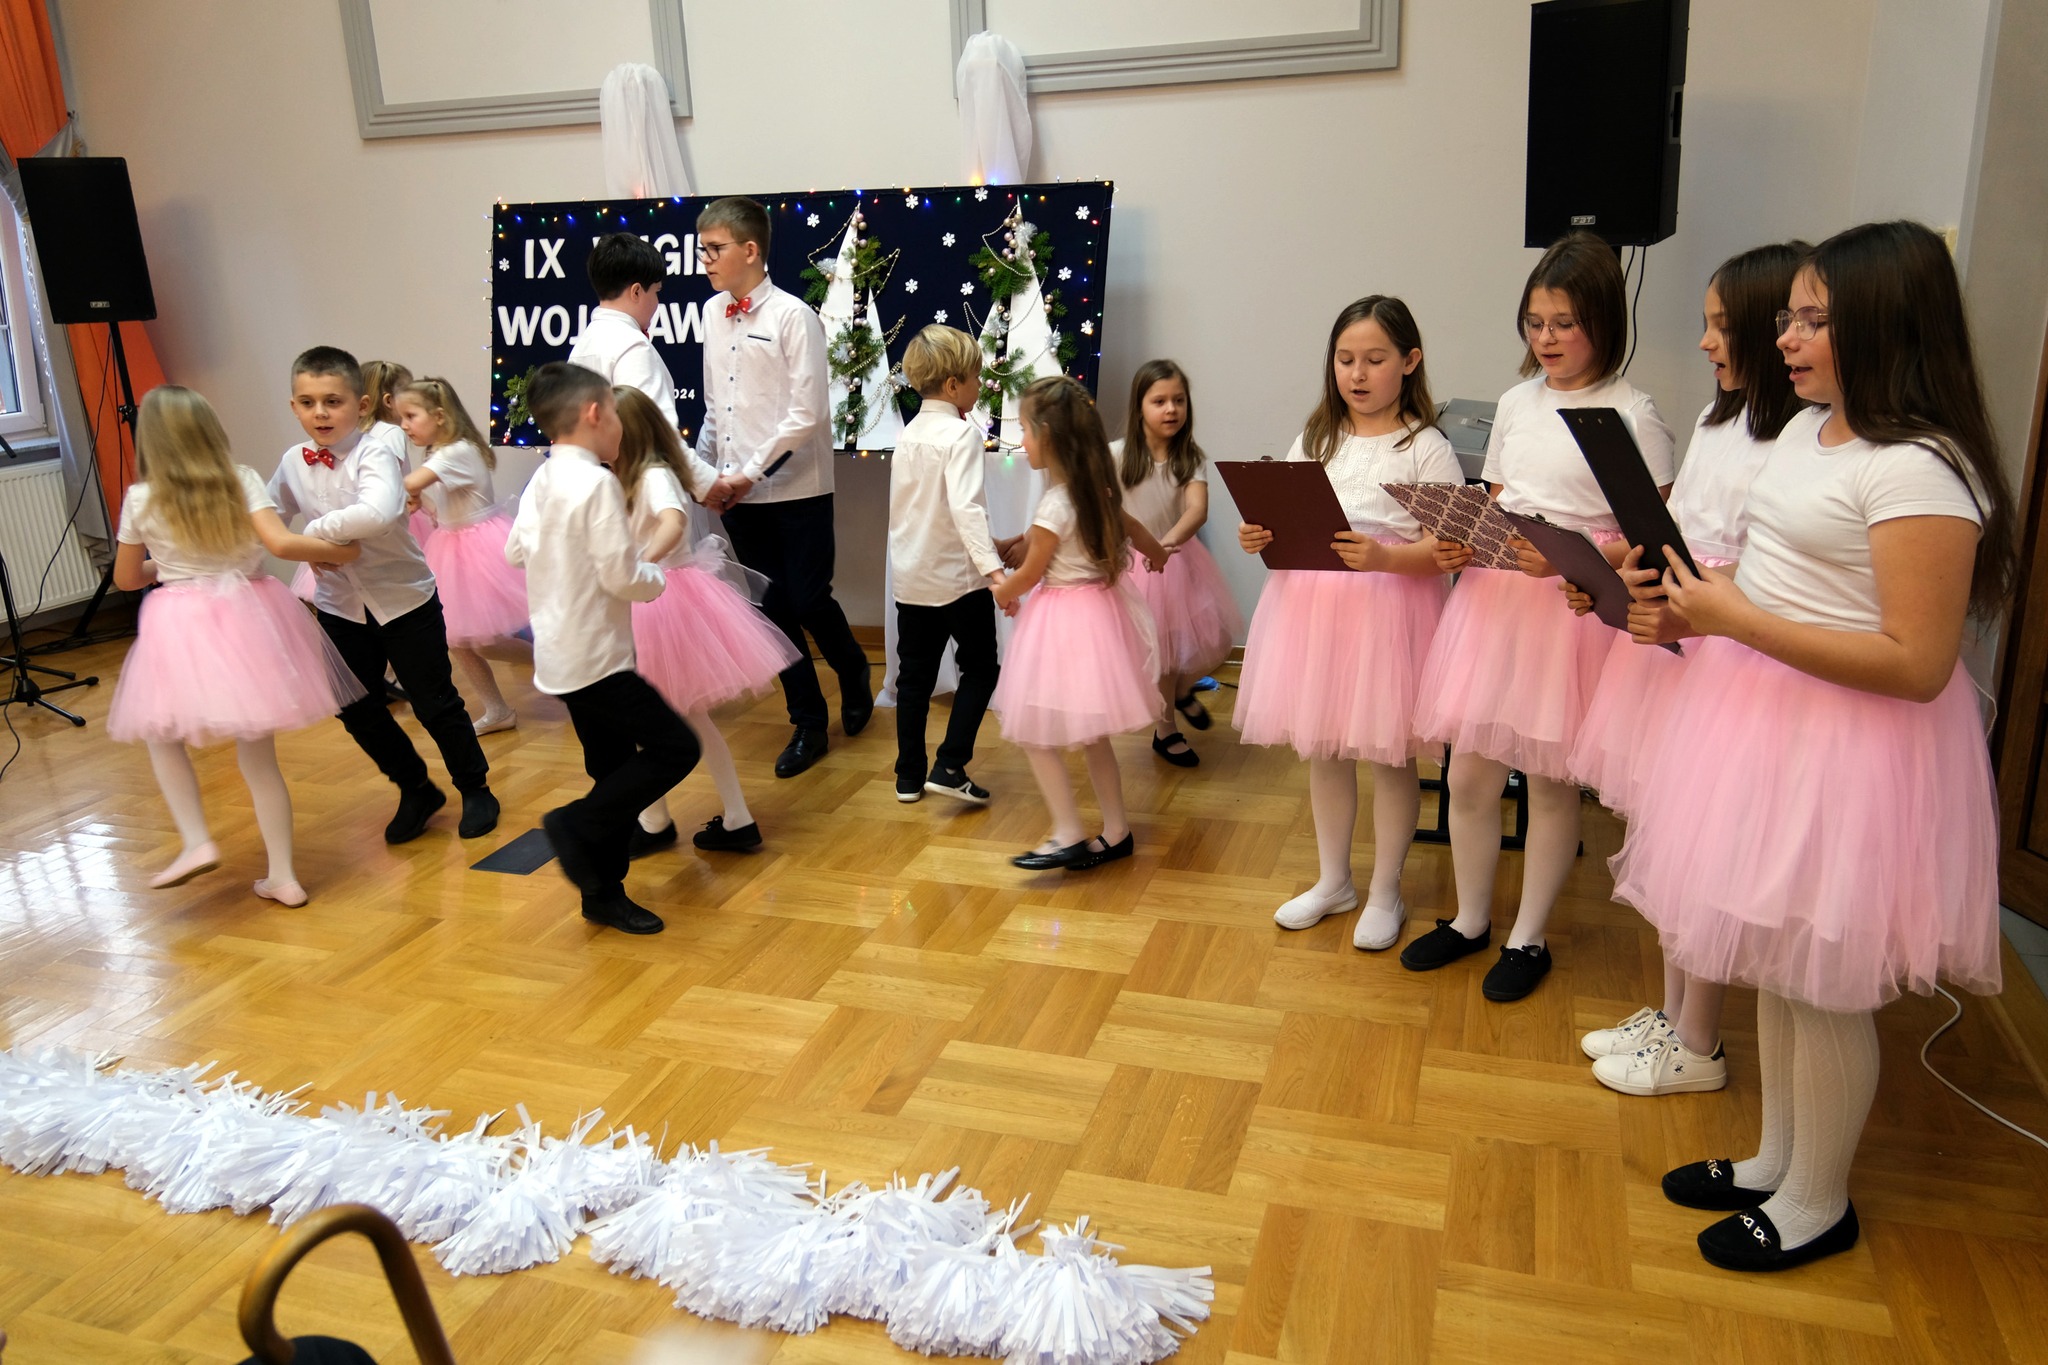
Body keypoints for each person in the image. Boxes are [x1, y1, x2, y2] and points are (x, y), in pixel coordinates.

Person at [1613, 221, 2011, 1271]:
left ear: (1886, 323)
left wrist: (1732, 619)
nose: (1785, 336)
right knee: (1780, 965)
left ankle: (1817, 1201)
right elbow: (1768, 580)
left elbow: (1916, 662)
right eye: (1788, 316)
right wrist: (1694, 606)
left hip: (1852, 748)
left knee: (1824, 981)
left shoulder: (1921, 470)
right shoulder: (1808, 431)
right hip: (1766, 719)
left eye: (1813, 319)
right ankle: (1775, 1162)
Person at [1406, 232, 1675, 1002]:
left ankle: (1528, 936)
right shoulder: (1518, 401)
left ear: (1604, 322)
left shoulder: (1633, 412)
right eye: (1535, 322)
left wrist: (1568, 555)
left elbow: (1652, 536)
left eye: (1564, 323)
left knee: (1552, 783)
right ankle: (1470, 918)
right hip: (1494, 604)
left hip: (1569, 613)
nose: (1547, 338)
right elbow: (1499, 497)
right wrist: (1470, 532)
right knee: (1469, 772)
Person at [1568, 242, 1807, 1097]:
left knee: (1709, 843)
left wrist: (1687, 582)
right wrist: (1618, 562)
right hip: (1677, 641)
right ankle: (1672, 1013)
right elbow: (1680, 528)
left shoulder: (1797, 438)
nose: (1706, 342)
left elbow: (1767, 564)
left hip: (1732, 651)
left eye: (1720, 326)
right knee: (1667, 833)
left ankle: (1699, 1039)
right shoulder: (1714, 419)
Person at [1236, 297, 1462, 950]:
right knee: (1326, 747)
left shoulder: (1425, 446)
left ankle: (1386, 889)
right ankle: (1334, 879)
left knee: (1389, 755)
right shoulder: (1317, 439)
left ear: (1409, 362)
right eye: (1345, 360)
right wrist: (1261, 534)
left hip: (1389, 613)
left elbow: (1448, 548)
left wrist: (1386, 558)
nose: (1357, 374)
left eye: (1374, 359)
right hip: (1313, 610)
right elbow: (1289, 515)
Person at [108, 386, 365, 906]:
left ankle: (196, 840)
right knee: (259, 757)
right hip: (250, 614)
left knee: (162, 734)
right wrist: (345, 550)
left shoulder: (141, 498)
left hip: (180, 620)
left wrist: (171, 566)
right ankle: (284, 877)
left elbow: (127, 579)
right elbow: (276, 541)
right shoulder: (241, 479)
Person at [268, 346, 499, 844]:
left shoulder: (377, 452)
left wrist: (315, 533)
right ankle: (416, 787)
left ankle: (475, 787)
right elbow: (268, 516)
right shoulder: (292, 462)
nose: (320, 413)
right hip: (339, 606)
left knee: (434, 702)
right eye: (308, 403)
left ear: (362, 405)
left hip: (404, 600)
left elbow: (377, 513)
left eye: (333, 401)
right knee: (354, 706)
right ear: (294, 407)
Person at [506, 363, 700, 935]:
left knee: (611, 768)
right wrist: (655, 579)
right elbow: (621, 576)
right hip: (598, 658)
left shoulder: (544, 478)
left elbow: (515, 552)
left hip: (559, 655)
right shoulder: (596, 483)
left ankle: (602, 893)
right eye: (613, 412)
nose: (619, 423)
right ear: (595, 414)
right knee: (676, 747)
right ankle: (574, 823)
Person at [693, 195, 871, 778]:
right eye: (702, 250)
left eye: (714, 249)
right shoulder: (711, 315)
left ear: (751, 250)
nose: (705, 260)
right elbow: (717, 408)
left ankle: (852, 668)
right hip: (736, 494)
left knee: (808, 599)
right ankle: (808, 721)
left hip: (798, 488)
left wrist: (749, 472)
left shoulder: (794, 316)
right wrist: (705, 472)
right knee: (769, 609)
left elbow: (807, 413)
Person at [990, 376, 1167, 871]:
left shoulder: (1054, 504)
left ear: (1048, 436)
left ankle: (1067, 831)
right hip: (1097, 615)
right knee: (1092, 736)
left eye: (1025, 430)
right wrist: (1157, 555)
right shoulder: (1098, 491)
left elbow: (1030, 572)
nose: (1022, 440)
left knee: (1035, 734)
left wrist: (1001, 589)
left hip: (1063, 621)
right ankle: (1117, 831)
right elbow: (1134, 529)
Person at [611, 385, 796, 854]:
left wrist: (642, 562)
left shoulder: (655, 475)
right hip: (652, 598)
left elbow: (672, 521)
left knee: (678, 717)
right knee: (662, 717)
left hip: (665, 601)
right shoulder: (628, 476)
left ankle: (715, 818)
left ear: (627, 432)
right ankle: (669, 818)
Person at [889, 324, 1007, 805]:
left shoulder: (908, 434)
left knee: (913, 678)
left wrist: (992, 548)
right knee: (981, 668)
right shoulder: (961, 435)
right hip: (960, 582)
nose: (980, 386)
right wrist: (995, 573)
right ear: (955, 384)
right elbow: (966, 510)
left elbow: (925, 512)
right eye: (977, 378)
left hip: (912, 578)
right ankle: (951, 764)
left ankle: (908, 776)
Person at [1114, 359, 1242, 768]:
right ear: (1139, 407)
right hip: (1134, 564)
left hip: (1175, 559)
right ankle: (1166, 729)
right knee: (1162, 654)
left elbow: (1196, 510)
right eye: (1160, 401)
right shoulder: (1116, 455)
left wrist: (1165, 545)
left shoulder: (1190, 457)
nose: (1171, 409)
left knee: (1215, 641)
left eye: (1179, 400)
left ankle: (1183, 691)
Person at [395, 377, 528, 737]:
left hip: (478, 546)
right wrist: (422, 502)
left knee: (484, 640)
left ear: (439, 416)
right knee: (456, 638)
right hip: (453, 545)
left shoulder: (456, 452)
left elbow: (407, 484)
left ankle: (555, 667)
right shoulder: (439, 452)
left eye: (411, 416)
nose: (404, 425)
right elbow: (429, 496)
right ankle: (497, 709)